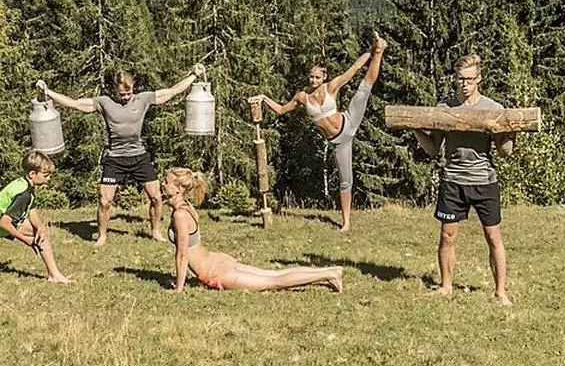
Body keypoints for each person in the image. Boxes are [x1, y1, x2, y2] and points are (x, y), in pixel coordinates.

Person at [38, 65, 205, 247]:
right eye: (121, 95)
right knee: (104, 201)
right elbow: (75, 103)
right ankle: (102, 237)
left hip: (139, 156)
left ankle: (155, 231)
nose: (125, 98)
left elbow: (172, 91)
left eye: (128, 93)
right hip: (115, 159)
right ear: (115, 91)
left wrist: (194, 75)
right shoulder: (104, 103)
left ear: (133, 88)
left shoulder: (143, 99)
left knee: (157, 197)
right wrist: (48, 92)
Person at [249, 31, 387, 233]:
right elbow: (280, 110)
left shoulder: (331, 87)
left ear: (324, 77)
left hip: (349, 120)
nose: (313, 80)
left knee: (364, 88)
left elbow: (355, 68)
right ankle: (346, 222)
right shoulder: (302, 97)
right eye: (310, 77)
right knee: (345, 181)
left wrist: (371, 52)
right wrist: (263, 98)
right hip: (340, 142)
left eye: (316, 77)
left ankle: (380, 50)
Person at [414, 54, 516, 306]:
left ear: (479, 79)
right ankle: (446, 285)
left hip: (484, 180)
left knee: (493, 237)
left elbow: (505, 152)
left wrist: (507, 134)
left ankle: (500, 292)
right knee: (447, 236)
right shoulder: (444, 109)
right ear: (455, 78)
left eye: (470, 79)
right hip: (453, 180)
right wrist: (414, 128)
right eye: (460, 79)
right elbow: (432, 148)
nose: (465, 84)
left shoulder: (494, 109)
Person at [163, 167, 343, 293]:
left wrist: (179, 288)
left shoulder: (180, 215)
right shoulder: (186, 207)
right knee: (273, 274)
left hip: (216, 271)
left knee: (273, 282)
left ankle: (329, 274)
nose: (163, 184)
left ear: (178, 188)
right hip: (218, 260)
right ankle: (330, 271)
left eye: (166, 182)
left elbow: (183, 255)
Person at [0, 151, 71, 283]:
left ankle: (54, 275)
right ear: (33, 174)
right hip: (3, 223)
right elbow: (4, 223)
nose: (48, 179)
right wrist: (25, 239)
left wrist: (40, 227)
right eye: (45, 175)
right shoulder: (23, 194)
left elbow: (31, 210)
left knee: (41, 234)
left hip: (7, 223)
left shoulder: (26, 185)